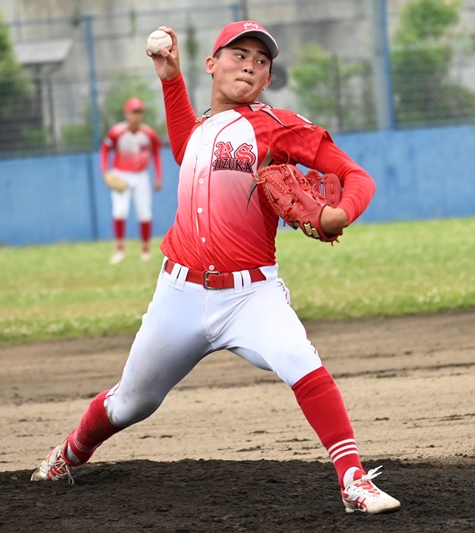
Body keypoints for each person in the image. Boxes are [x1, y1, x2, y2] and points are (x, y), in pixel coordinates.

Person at [31, 21, 401, 515]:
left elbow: (356, 176)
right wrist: (168, 76)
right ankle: (72, 453)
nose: (249, 64)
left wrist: (342, 211)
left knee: (301, 361)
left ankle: (354, 480)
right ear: (212, 63)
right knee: (131, 403)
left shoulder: (276, 126)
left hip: (251, 296)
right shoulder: (202, 130)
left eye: (261, 60)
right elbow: (187, 147)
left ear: (268, 79)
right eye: (237, 54)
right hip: (179, 294)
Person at [100, 97, 163, 264]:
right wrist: (105, 170)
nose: (137, 115)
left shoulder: (149, 133)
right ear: (126, 113)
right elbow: (105, 149)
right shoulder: (116, 132)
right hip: (121, 175)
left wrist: (158, 176)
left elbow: (156, 154)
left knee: (144, 213)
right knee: (120, 211)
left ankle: (145, 250)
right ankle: (119, 250)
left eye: (140, 111)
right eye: (134, 112)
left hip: (141, 175)